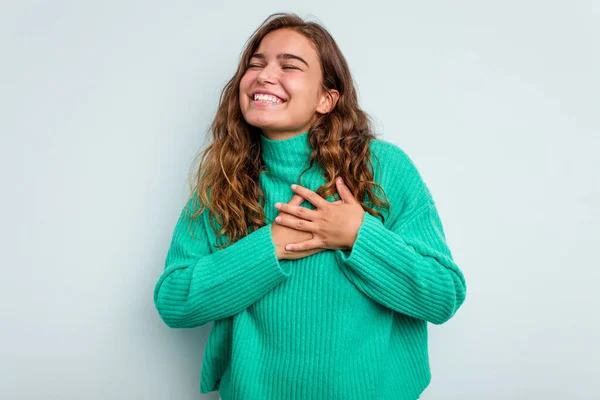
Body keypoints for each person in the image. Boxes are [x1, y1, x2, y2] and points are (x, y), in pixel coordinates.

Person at [153, 12, 467, 400]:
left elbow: (443, 295)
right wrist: (272, 245)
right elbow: (174, 301)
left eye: (289, 66)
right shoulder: (225, 180)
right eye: (256, 64)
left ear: (326, 98)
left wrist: (357, 235)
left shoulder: (383, 168)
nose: (265, 75)